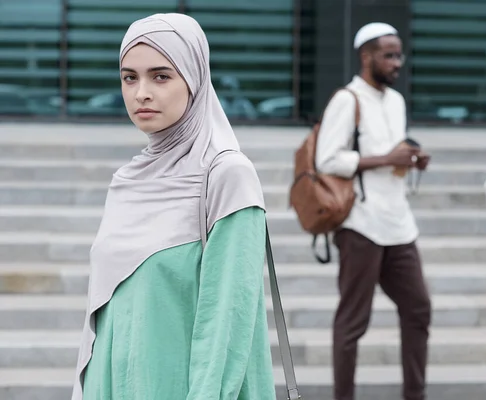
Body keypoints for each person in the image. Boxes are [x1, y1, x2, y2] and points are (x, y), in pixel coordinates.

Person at [71, 13, 276, 400]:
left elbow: (226, 323)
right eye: (129, 77)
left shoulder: (228, 175)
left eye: (161, 76)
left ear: (194, 80)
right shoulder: (128, 181)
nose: (141, 92)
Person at [315, 22, 432, 400]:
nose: (398, 62)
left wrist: (410, 159)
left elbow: (392, 157)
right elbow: (326, 160)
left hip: (399, 223)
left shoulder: (395, 102)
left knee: (418, 309)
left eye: (400, 54)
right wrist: (385, 158)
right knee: (353, 322)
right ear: (367, 56)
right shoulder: (346, 100)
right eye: (389, 54)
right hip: (360, 224)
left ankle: (415, 394)